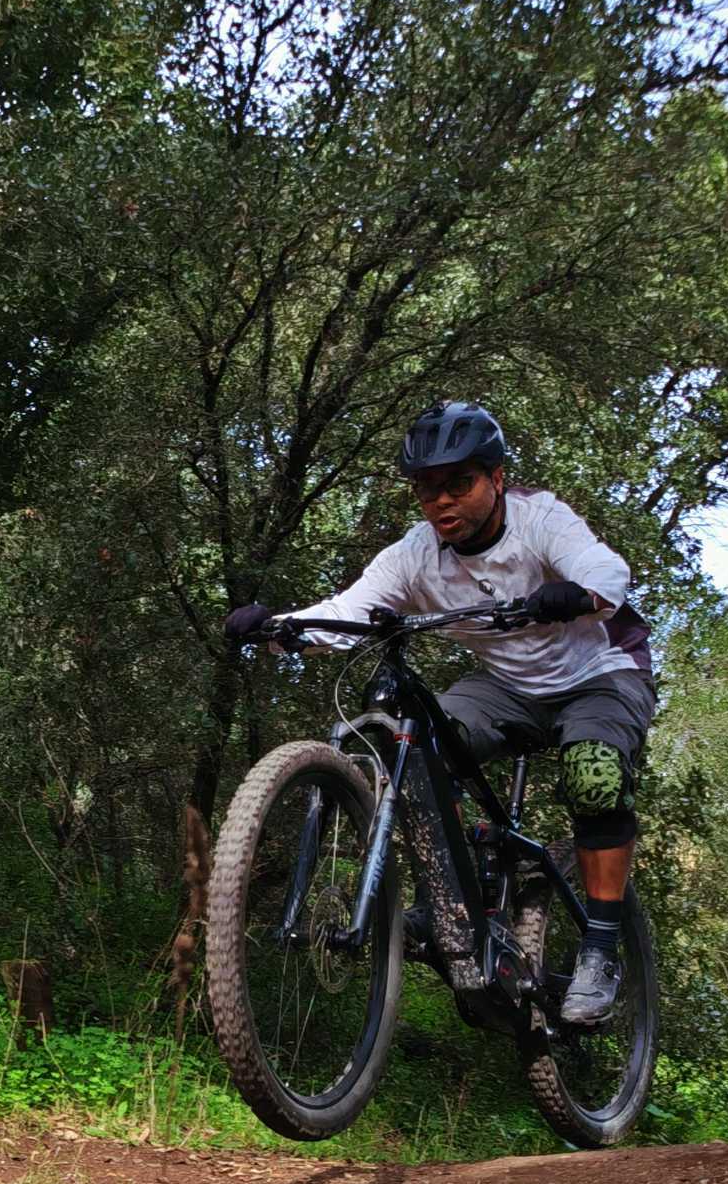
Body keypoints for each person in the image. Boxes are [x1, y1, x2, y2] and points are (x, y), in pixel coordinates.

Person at [222, 400, 654, 1026]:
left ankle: (601, 949)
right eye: (428, 489)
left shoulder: (539, 520)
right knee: (417, 747)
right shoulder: (416, 555)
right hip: (505, 686)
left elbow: (604, 570)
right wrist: (280, 626)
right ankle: (451, 902)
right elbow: (352, 609)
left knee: (594, 775)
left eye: (460, 483)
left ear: (496, 478)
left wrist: (576, 594)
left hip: (599, 675)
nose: (442, 501)